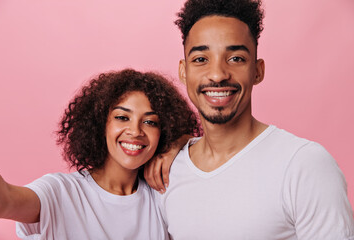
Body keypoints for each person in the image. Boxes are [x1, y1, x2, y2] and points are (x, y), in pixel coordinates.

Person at [144, 0, 354, 239]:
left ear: (258, 71)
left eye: (236, 58)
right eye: (201, 59)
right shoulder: (167, 172)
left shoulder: (304, 165)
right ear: (184, 71)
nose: (217, 75)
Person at [0, 69, 198, 239]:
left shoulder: (161, 194)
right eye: (122, 117)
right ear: (100, 123)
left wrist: (177, 144)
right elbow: (5, 200)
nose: (135, 131)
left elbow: (215, 146)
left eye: (150, 122)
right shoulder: (61, 192)